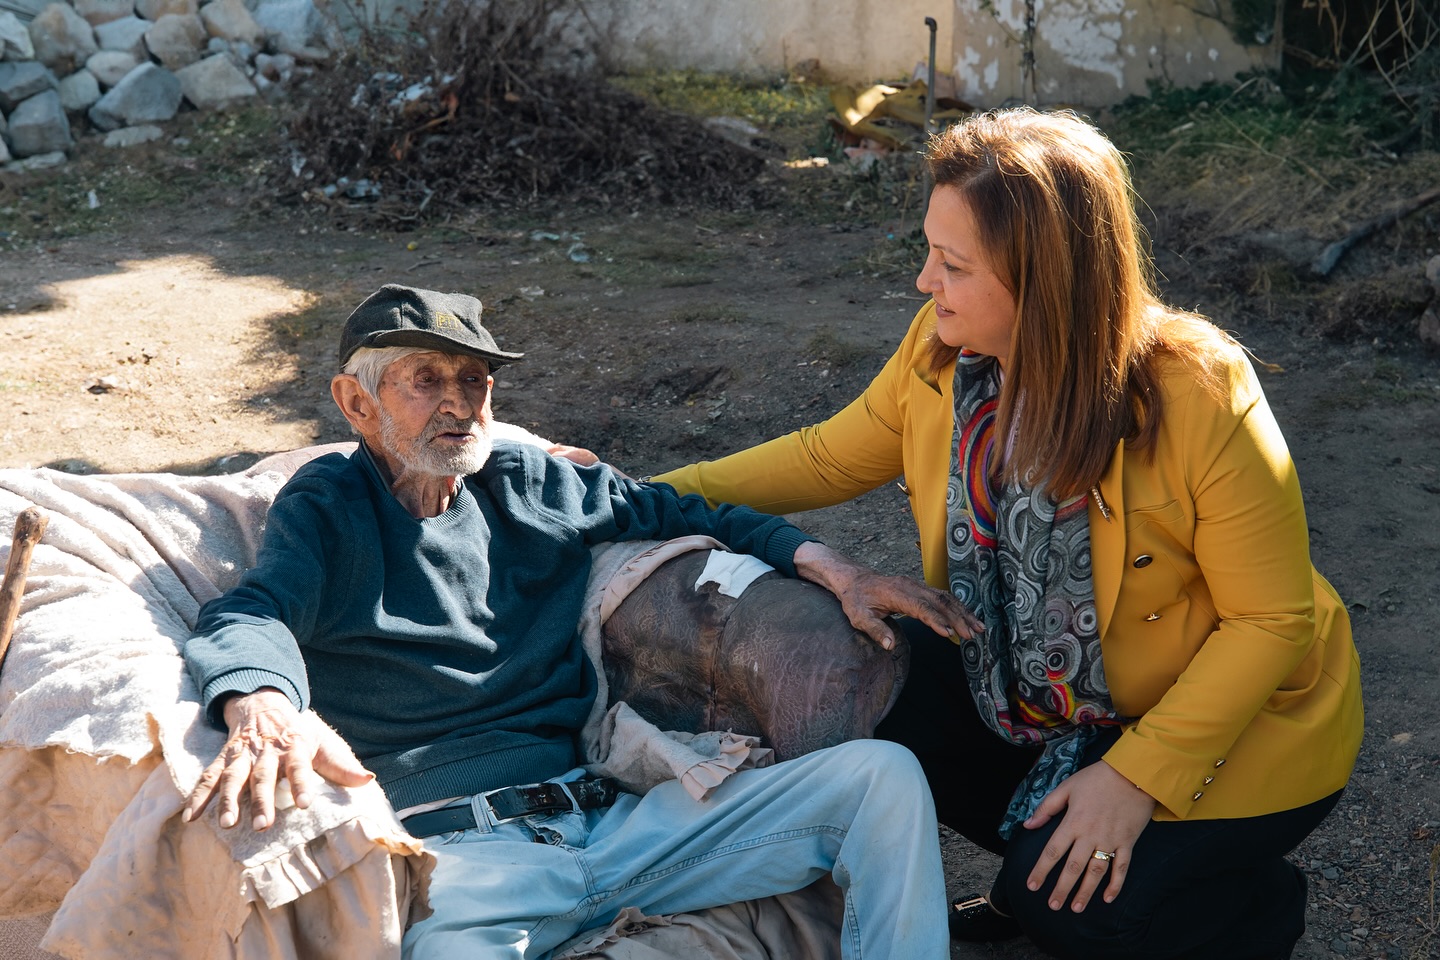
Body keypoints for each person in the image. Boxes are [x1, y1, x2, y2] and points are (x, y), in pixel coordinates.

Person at [652, 107, 1363, 960]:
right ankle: (1071, 859)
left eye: (953, 265)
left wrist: (1138, 777)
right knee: (865, 690)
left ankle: (1251, 905)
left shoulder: (1197, 389)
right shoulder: (944, 353)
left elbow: (1271, 622)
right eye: (930, 252)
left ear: (1046, 280)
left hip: (1235, 719)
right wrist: (627, 491)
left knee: (1068, 908)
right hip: (1048, 702)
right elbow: (826, 457)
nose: (925, 282)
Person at [180, 283, 976, 960]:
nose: (459, 401)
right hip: (461, 864)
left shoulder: (529, 485)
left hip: (616, 823)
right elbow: (252, 611)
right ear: (356, 402)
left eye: (476, 379)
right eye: (426, 378)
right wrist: (260, 701)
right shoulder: (329, 505)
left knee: (881, 779)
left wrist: (838, 570)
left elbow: (690, 510)